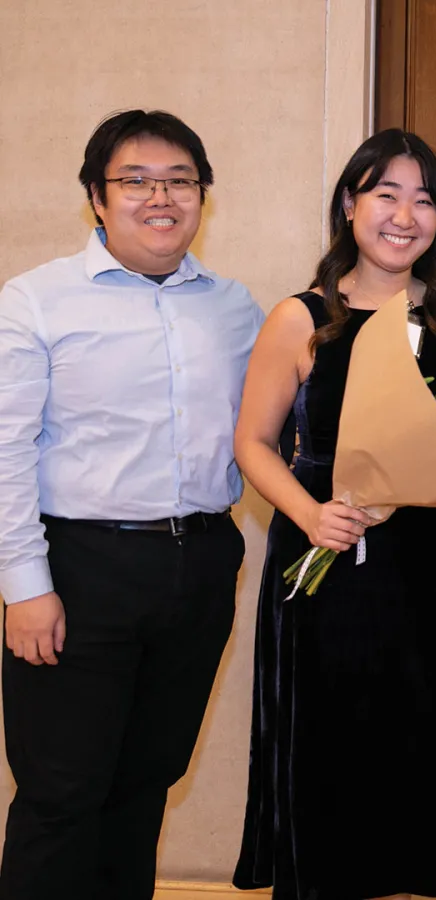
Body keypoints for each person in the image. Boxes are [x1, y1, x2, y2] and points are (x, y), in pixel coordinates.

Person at [0, 109, 263, 900]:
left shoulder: (234, 307)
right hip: (77, 570)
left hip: (200, 564)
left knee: (146, 782)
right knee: (61, 794)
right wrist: (24, 586)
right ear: (97, 196)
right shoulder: (36, 300)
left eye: (180, 181)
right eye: (136, 181)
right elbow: (7, 450)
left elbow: (274, 428)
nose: (162, 197)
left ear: (202, 197)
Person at [232, 128, 436, 899]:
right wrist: (312, 516)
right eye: (386, 194)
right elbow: (251, 442)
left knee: (413, 746)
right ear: (350, 204)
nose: (405, 214)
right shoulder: (299, 316)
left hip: (416, 563)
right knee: (330, 749)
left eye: (424, 199)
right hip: (323, 558)